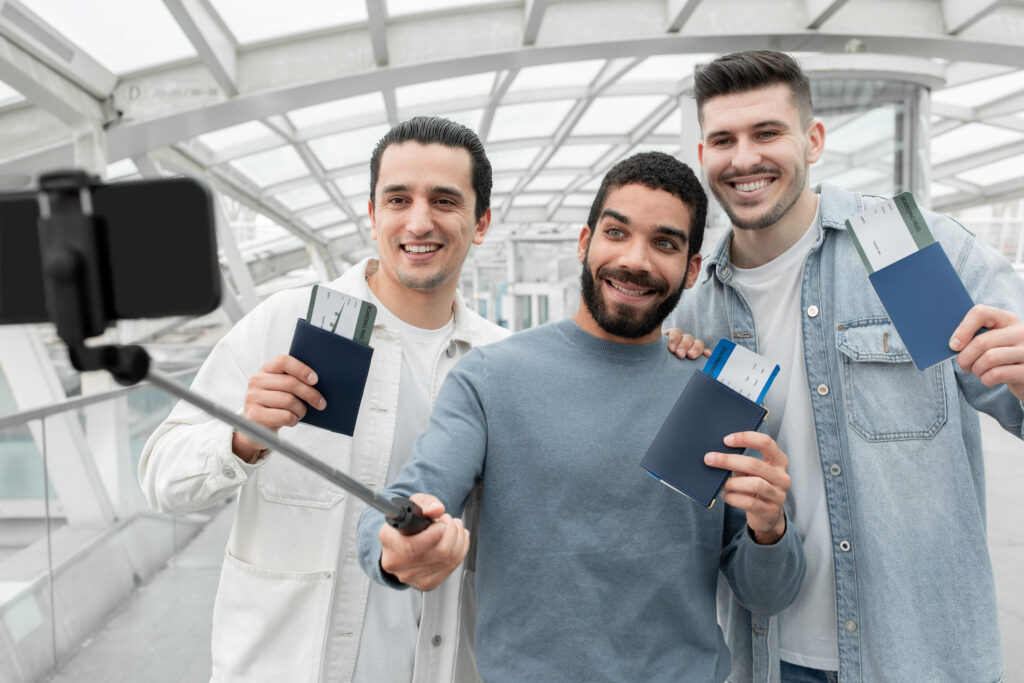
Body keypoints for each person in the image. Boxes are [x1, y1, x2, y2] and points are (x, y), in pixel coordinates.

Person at [357, 151, 807, 682]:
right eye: (617, 233)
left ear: (690, 270)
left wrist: (769, 526)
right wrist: (398, 544)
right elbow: (413, 495)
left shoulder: (718, 394)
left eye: (664, 243)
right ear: (584, 243)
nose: (635, 259)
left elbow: (768, 593)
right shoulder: (491, 378)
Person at [670, 50, 1024, 682]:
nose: (744, 158)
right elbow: (694, 518)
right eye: (723, 139)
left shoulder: (901, 248)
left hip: (922, 653)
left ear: (813, 140)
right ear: (703, 157)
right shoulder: (695, 313)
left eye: (768, 133)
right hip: (770, 656)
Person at [138, 116, 511, 682]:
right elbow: (160, 478)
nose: (418, 221)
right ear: (372, 214)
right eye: (397, 198)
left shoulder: (500, 362)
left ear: (480, 222)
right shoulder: (284, 323)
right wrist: (240, 438)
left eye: (444, 200)